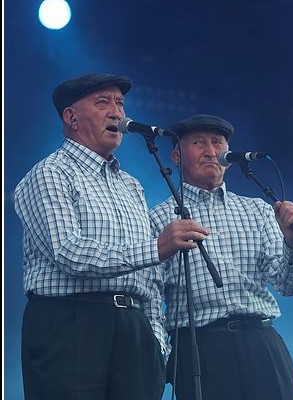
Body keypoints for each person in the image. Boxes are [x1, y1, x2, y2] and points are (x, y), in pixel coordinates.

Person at [14, 74, 208, 400]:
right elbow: (70, 253)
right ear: (71, 118)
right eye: (103, 102)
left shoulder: (131, 185)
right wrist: (157, 247)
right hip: (71, 322)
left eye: (120, 103)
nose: (117, 112)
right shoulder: (50, 173)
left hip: (133, 328)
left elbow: (149, 277)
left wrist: (155, 338)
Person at [149, 114, 293, 400]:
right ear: (176, 155)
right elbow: (150, 296)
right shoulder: (158, 218)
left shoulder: (257, 210)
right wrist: (159, 354)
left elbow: (292, 286)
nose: (210, 151)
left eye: (217, 143)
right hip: (200, 347)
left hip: (262, 342)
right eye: (198, 143)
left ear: (228, 154)